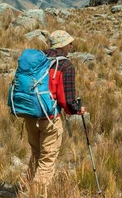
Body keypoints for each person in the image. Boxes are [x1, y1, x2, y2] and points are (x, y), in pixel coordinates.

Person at [24, 30, 85, 195]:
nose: (72, 46)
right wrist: (77, 110)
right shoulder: (65, 65)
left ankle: (27, 188)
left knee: (36, 154)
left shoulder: (37, 59)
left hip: (29, 114)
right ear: (63, 45)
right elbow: (67, 101)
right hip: (50, 118)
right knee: (47, 160)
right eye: (70, 43)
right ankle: (37, 194)